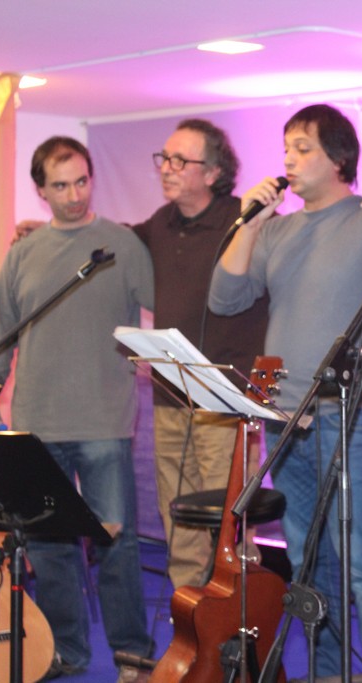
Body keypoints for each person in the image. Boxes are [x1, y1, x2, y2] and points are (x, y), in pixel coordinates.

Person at [208, 104, 362, 678]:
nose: (289, 160)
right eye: (286, 149)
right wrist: (249, 221)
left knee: (359, 554)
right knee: (306, 557)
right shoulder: (278, 229)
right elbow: (225, 298)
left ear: (339, 158)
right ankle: (328, 668)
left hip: (348, 413)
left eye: (303, 148)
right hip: (283, 416)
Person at [0, 136, 155, 677]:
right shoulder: (23, 253)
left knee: (115, 545)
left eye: (81, 182)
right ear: (41, 191)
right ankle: (66, 652)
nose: (74, 195)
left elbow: (171, 310)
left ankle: (132, 653)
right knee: (49, 550)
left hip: (104, 423)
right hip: (37, 426)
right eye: (60, 185)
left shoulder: (122, 245)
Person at [135, 118, 269, 588]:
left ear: (213, 173)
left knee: (231, 527)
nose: (166, 168)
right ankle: (190, 619)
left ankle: (238, 621)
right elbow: (116, 243)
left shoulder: (246, 220)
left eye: (179, 161)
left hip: (227, 404)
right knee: (179, 523)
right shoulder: (160, 224)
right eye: (164, 158)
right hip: (170, 399)